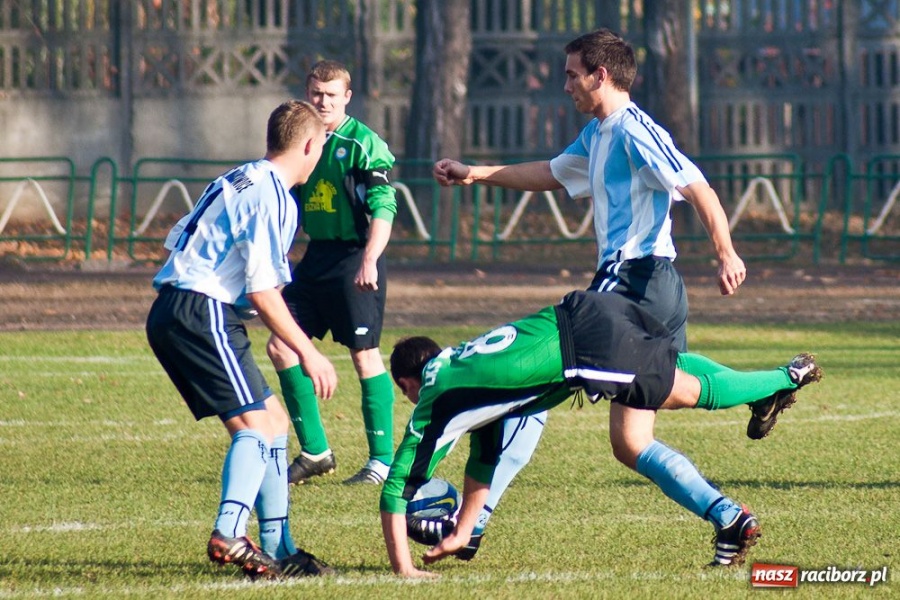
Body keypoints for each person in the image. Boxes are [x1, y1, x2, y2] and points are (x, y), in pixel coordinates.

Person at [431, 28, 750, 557]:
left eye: (572, 75)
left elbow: (697, 186)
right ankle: (729, 517)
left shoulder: (633, 129)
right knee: (631, 441)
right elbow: (553, 173)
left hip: (632, 283)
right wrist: (475, 174)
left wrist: (726, 250)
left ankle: (474, 522)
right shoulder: (599, 133)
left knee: (534, 375)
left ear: (600, 76)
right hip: (647, 286)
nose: (566, 86)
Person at [379, 291, 823, 578]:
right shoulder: (461, 367)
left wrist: (403, 567)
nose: (410, 401)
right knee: (673, 377)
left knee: (682, 392)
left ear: (410, 383)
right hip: (585, 310)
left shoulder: (437, 398)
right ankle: (770, 390)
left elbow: (397, 486)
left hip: (586, 347)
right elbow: (484, 456)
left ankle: (785, 376)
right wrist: (464, 528)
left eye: (405, 394)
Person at [146, 100, 338, 580]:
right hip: (200, 310)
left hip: (188, 307)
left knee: (273, 422)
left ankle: (279, 548)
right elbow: (261, 291)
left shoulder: (244, 176)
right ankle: (230, 532)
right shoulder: (271, 194)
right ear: (310, 145)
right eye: (321, 148)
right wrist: (308, 351)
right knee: (255, 429)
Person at [267, 60, 399, 486]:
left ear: (347, 96)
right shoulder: (302, 140)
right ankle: (316, 452)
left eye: (331, 94)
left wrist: (370, 258)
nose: (322, 101)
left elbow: (384, 204)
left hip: (354, 259)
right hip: (316, 259)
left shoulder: (362, 143)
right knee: (281, 346)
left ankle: (381, 460)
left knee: (363, 355)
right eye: (316, 93)